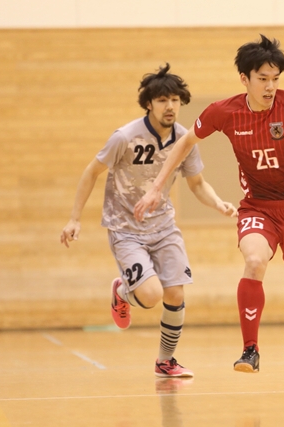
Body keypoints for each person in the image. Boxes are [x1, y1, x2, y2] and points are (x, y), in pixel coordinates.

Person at [134, 35, 284, 373]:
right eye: (263, 78)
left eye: (275, 79)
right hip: (257, 207)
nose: (270, 86)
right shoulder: (225, 112)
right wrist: (157, 187)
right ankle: (250, 350)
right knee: (255, 261)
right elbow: (185, 141)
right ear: (244, 79)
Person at [60, 64, 237, 378]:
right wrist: (75, 219)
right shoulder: (125, 137)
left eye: (175, 100)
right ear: (149, 104)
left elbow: (197, 184)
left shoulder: (184, 139)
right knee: (152, 295)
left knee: (176, 293)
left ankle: (165, 361)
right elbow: (91, 172)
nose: (170, 106)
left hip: (164, 227)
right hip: (125, 229)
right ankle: (122, 292)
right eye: (162, 100)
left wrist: (218, 204)